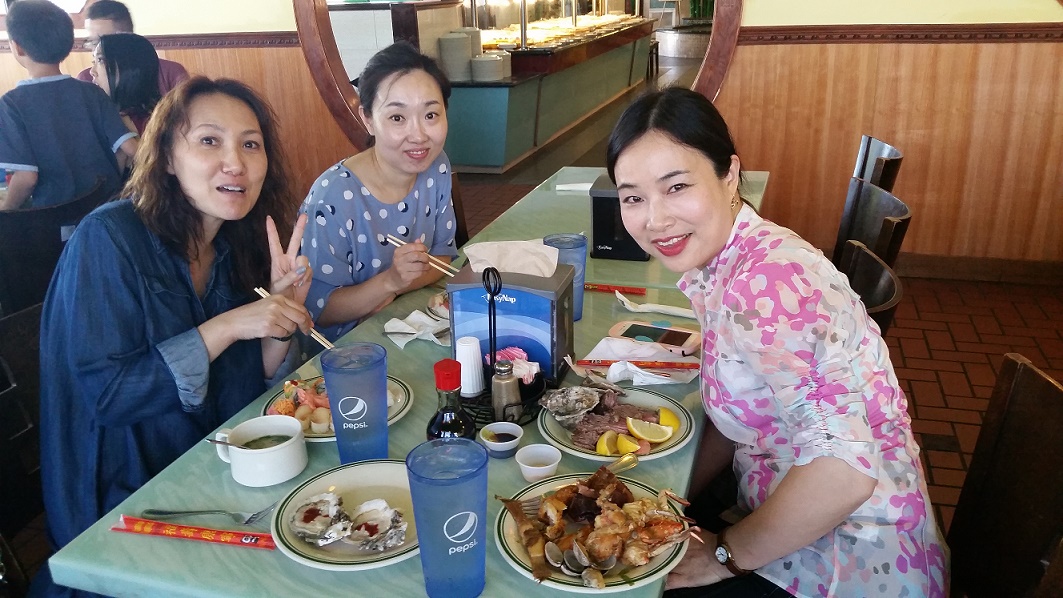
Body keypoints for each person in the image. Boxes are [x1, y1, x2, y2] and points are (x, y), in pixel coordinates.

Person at [606, 87, 949, 597]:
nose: (654, 219)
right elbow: (741, 415)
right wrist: (661, 496)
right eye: (633, 197)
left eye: (676, 186)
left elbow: (844, 473)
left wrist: (724, 555)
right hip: (784, 515)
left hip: (847, 561)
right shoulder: (728, 260)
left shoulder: (766, 285)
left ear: (729, 174)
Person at [36, 77, 313, 597]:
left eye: (250, 144)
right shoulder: (108, 238)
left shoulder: (233, 243)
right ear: (166, 156)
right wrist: (228, 325)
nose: (235, 162)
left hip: (210, 479)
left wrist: (282, 313)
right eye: (209, 140)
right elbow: (108, 395)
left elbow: (246, 385)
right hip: (123, 498)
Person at [300, 42, 458, 342]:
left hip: (412, 322)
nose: (419, 135)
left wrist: (396, 289)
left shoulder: (436, 166)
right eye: (397, 118)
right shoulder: (332, 197)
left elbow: (442, 256)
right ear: (368, 119)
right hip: (346, 347)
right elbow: (318, 308)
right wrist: (390, 282)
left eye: (431, 115)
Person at [0, 0, 137, 210]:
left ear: (17, 47)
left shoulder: (11, 104)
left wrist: (6, 213)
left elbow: (26, 178)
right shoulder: (93, 92)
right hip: (104, 210)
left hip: (52, 219)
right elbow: (126, 149)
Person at [76, 0, 189, 96]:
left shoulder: (171, 72)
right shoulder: (87, 78)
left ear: (129, 37)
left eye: (104, 41)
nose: (97, 48)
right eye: (92, 41)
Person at [90, 32, 162, 135]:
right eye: (94, 62)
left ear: (127, 67)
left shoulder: (157, 121)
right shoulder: (103, 113)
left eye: (100, 60)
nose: (92, 71)